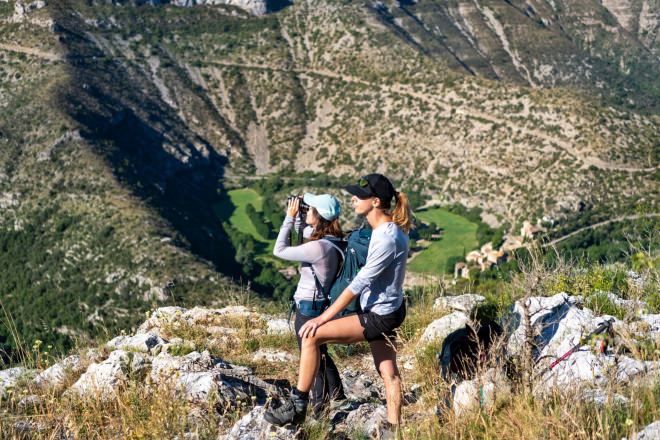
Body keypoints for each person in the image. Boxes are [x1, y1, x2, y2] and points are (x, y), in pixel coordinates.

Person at [265, 174, 412, 433]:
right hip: (389, 308)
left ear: (376, 202)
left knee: (311, 337)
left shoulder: (386, 237)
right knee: (388, 373)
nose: (354, 198)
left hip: (378, 315)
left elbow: (359, 283)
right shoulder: (387, 230)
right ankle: (393, 429)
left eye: (361, 196)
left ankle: (297, 405)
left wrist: (322, 318)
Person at [270, 192, 347, 416]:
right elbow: (303, 232)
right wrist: (301, 213)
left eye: (310, 208)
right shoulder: (333, 239)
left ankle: (318, 407)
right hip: (319, 304)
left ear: (319, 215)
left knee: (310, 355)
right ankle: (337, 396)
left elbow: (280, 250)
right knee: (320, 352)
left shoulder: (319, 248)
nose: (307, 210)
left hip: (308, 307)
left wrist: (289, 216)